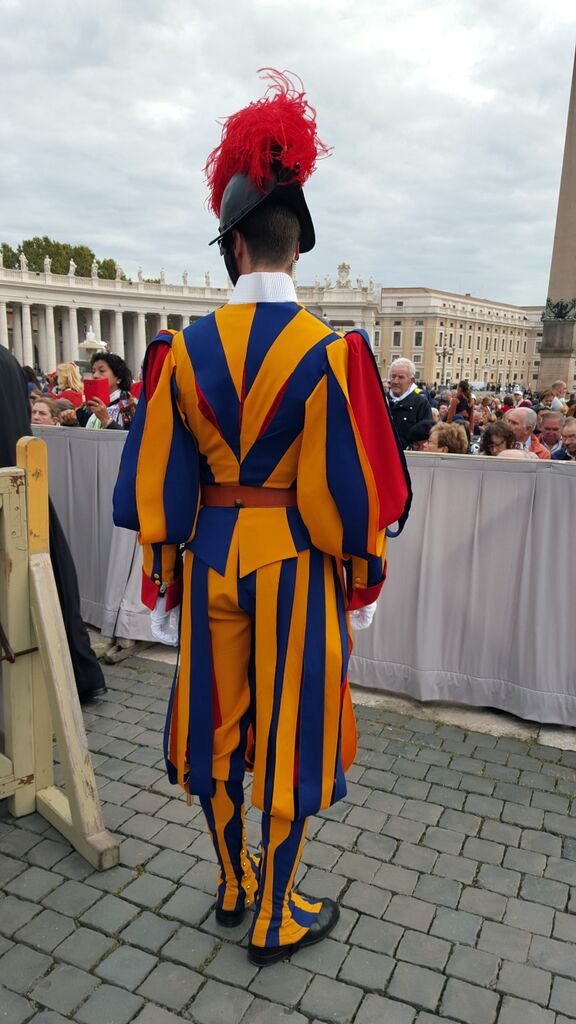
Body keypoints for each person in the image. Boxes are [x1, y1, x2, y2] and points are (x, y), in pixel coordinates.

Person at [114, 70, 411, 967]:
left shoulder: (176, 352)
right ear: (292, 249)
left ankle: (231, 883)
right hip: (295, 562)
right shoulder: (335, 352)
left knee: (212, 724)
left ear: (235, 248)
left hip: (208, 557)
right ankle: (278, 909)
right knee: (294, 727)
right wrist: (359, 574)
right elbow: (357, 492)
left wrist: (167, 569)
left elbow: (157, 481)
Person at [0, 346, 107, 704]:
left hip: (8, 486)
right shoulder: (7, 359)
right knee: (50, 582)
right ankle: (74, 671)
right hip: (21, 482)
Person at [75, 352, 137, 430]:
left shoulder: (131, 406)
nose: (95, 375)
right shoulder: (87, 406)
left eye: (101, 371)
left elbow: (132, 438)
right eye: (93, 371)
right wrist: (70, 421)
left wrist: (106, 420)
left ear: (118, 378)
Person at [388, 357, 433, 449]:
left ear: (411, 381)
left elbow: (427, 435)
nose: (395, 381)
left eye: (401, 377)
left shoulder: (421, 403)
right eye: (393, 376)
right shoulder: (381, 400)